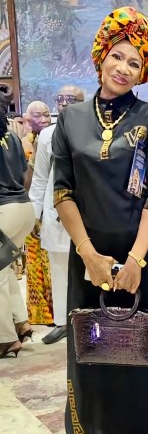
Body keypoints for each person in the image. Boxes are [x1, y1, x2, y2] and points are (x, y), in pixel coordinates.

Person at [52, 6, 148, 434]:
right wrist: (87, 253)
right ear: (101, 56)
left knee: (145, 352)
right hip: (91, 261)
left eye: (134, 62)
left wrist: (135, 262)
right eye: (117, 56)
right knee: (99, 351)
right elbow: (63, 190)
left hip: (142, 259)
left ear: (144, 71)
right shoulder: (70, 119)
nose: (123, 67)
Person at [29, 86, 85, 344]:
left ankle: (88, 319)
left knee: (88, 269)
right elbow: (40, 178)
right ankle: (63, 322)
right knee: (59, 269)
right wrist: (34, 213)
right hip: (55, 211)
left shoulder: (93, 131)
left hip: (87, 213)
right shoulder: (47, 136)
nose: (63, 104)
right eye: (60, 99)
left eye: (70, 99)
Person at [0, 93, 35, 358]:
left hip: (4, 210)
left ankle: (5, 338)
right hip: (24, 207)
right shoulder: (10, 136)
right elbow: (26, 174)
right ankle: (20, 322)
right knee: (4, 269)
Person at [21, 101, 54, 325]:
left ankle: (56, 310)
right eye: (36, 115)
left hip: (51, 208)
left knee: (51, 263)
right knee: (34, 263)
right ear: (26, 120)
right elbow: (28, 181)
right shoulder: (22, 143)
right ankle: (40, 313)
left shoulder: (53, 137)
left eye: (45, 114)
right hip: (31, 206)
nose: (42, 119)